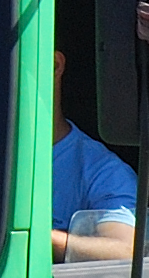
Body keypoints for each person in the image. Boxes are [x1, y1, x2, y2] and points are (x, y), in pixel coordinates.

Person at [50, 41, 138, 262]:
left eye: (3, 65)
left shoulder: (104, 172)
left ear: (54, 65)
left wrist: (7, 234)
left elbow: (123, 252)